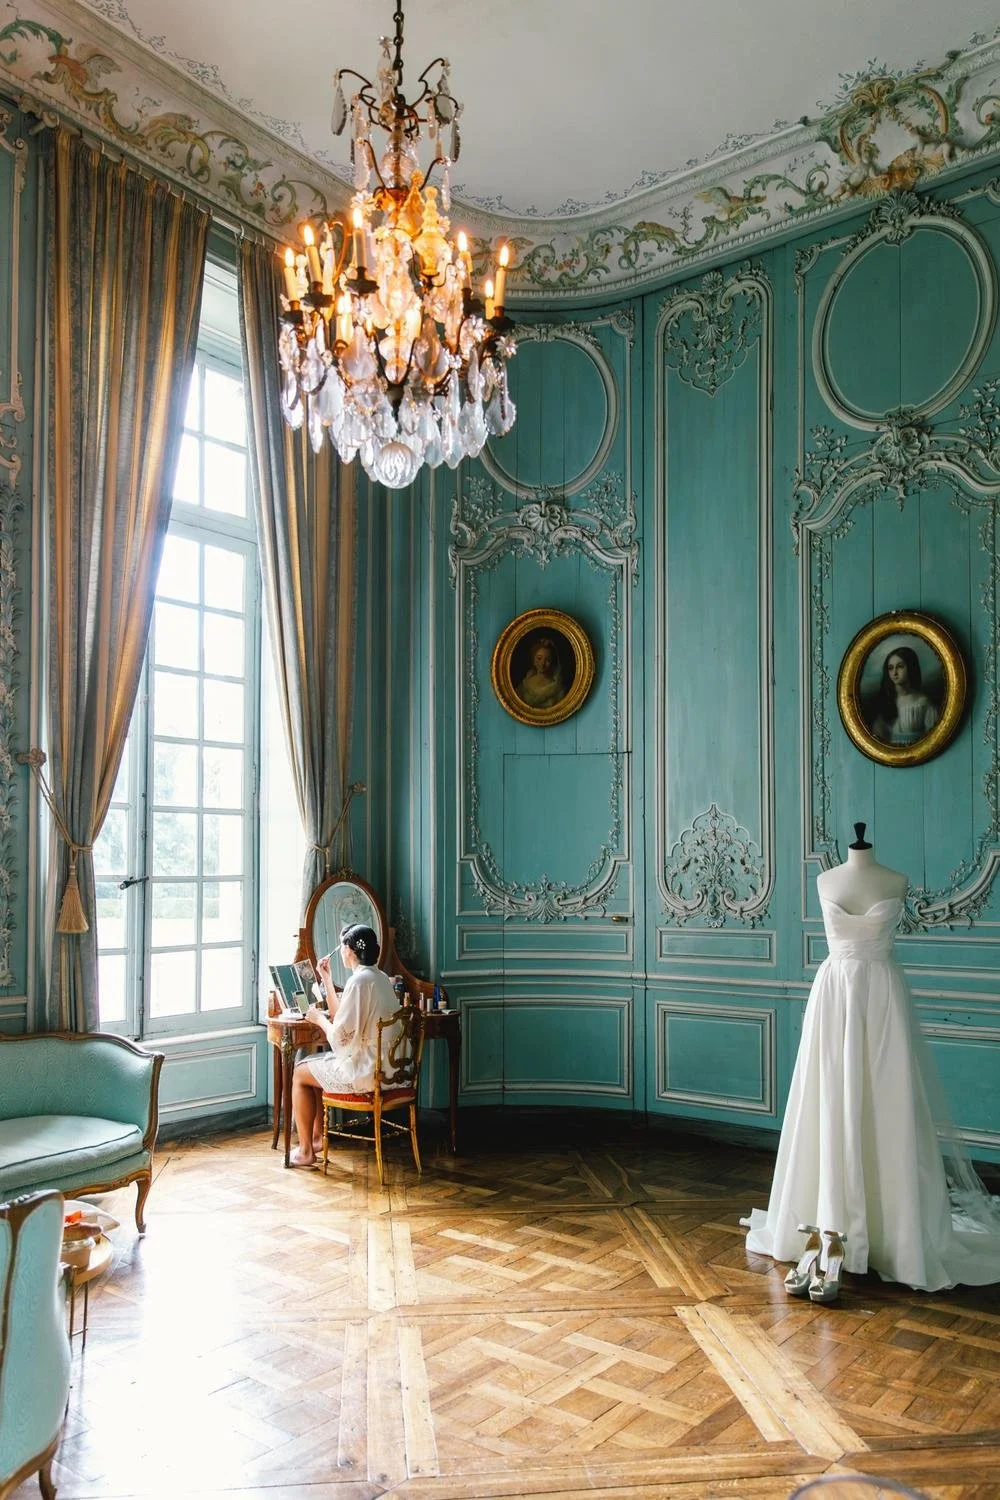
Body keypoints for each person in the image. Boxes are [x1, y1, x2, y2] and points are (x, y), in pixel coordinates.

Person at [743, 824, 1000, 1295]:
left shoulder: (895, 878)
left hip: (881, 996)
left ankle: (887, 1234)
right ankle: (828, 1223)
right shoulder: (826, 879)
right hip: (836, 994)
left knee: (887, 1099)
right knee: (830, 1097)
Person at [289, 923, 398, 1168]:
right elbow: (342, 1019)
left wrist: (318, 1019)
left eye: (342, 947)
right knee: (312, 1070)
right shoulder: (378, 977)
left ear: (349, 950)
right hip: (389, 1069)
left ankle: (306, 1149)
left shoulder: (360, 983)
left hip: (368, 1072)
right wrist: (326, 979)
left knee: (299, 1073)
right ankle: (316, 1139)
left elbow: (340, 1038)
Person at [869, 645, 939, 745]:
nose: (894, 673)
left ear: (910, 667)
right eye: (890, 668)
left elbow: (933, 740)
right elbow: (877, 739)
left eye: (900, 666)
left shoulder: (923, 702)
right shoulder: (884, 701)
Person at [517, 635, 565, 709]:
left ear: (552, 662)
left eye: (548, 660)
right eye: (539, 658)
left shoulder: (556, 686)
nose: (542, 663)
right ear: (533, 660)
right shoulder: (525, 684)